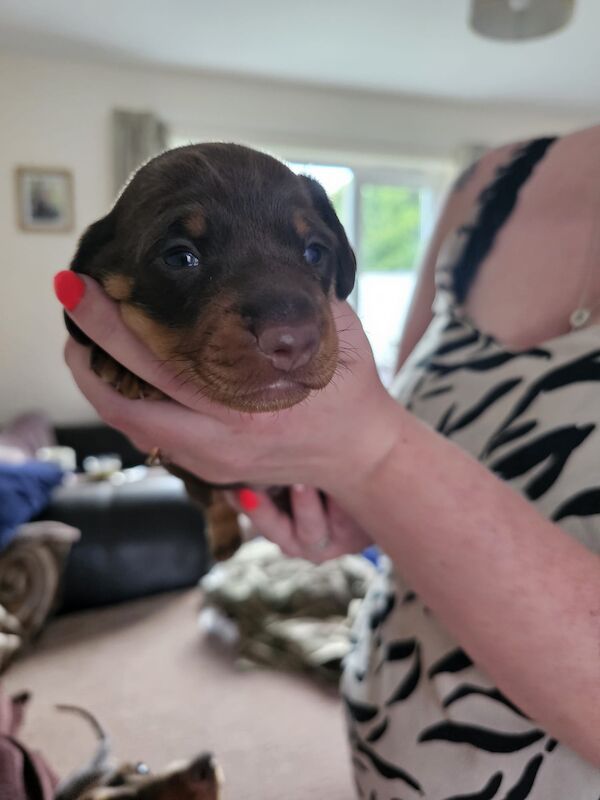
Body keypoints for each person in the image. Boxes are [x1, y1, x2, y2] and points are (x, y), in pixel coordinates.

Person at [54, 126, 600, 798]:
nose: (290, 328)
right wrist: (361, 505)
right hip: (386, 719)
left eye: (311, 250)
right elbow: (411, 429)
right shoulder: (487, 186)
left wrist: (367, 460)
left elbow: (377, 441)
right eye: (182, 255)